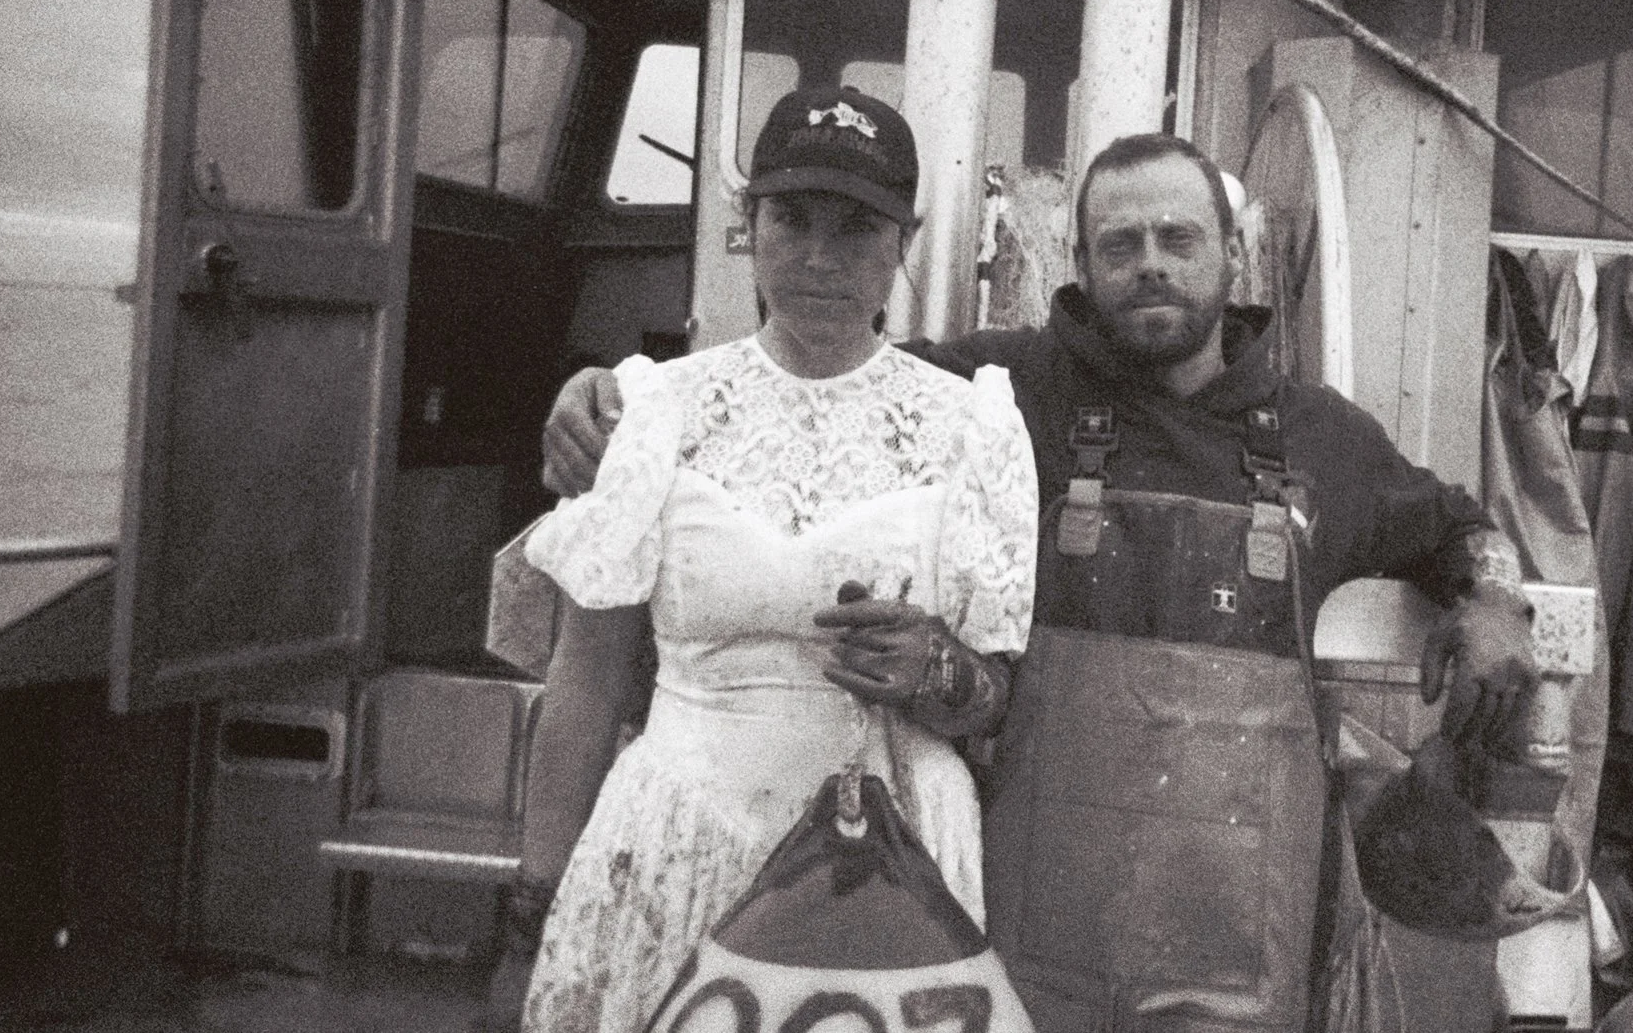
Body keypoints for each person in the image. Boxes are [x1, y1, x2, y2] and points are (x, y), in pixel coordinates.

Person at [542, 133, 1537, 1033]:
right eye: (1119, 242)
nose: (1149, 259)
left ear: (1230, 257)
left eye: (1176, 237)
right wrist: (608, 396)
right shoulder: (991, 395)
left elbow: (1458, 528)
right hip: (1026, 937)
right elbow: (814, 380)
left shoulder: (1324, 436)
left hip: (1238, 945)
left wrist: (1490, 597)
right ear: (1081, 265)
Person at [495, 86, 1038, 1033]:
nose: (821, 256)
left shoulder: (974, 425)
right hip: (674, 842)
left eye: (858, 225)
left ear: (901, 241)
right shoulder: (651, 409)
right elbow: (586, 678)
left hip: (889, 858)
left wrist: (936, 668)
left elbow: (996, 698)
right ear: (749, 225)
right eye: (791, 217)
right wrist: (528, 914)